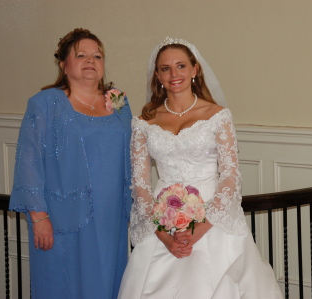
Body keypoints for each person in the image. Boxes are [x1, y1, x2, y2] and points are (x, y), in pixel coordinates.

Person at [118, 37, 283, 299]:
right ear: (158, 76)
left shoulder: (218, 116)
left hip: (212, 217)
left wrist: (201, 227)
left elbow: (230, 176)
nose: (174, 74)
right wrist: (163, 233)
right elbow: (140, 185)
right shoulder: (143, 122)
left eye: (181, 66)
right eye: (165, 68)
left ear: (195, 70)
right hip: (163, 219)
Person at [9, 28, 132, 299]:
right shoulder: (45, 103)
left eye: (97, 55)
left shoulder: (119, 101)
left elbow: (133, 153)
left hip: (111, 217)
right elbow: (28, 161)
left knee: (107, 281)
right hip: (61, 217)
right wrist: (39, 217)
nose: (91, 60)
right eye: (81, 55)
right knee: (63, 285)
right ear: (64, 64)